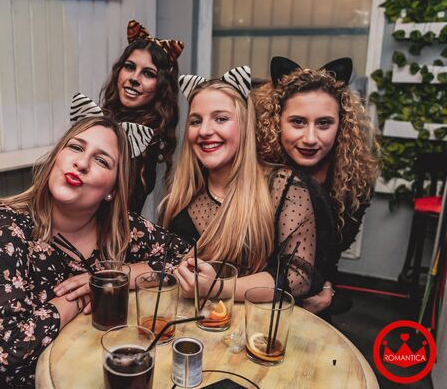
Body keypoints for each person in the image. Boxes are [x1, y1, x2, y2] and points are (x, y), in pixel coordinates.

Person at [0, 114, 192, 388]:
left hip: (73, 372)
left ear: (112, 189)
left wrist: (121, 275)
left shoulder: (121, 229)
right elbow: (7, 356)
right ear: (55, 158)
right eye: (76, 147)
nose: (82, 163)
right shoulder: (3, 227)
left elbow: (187, 256)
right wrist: (78, 298)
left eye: (101, 160)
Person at [160, 70, 318, 303]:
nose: (204, 131)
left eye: (221, 119)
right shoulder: (181, 194)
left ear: (245, 125)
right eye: (195, 121)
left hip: (253, 322)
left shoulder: (283, 187)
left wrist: (218, 288)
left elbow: (297, 277)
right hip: (187, 320)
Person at [253, 56, 380, 314]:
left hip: (313, 296)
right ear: (276, 122)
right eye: (298, 122)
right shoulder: (257, 171)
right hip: (254, 293)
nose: (310, 138)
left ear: (341, 125)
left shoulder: (354, 181)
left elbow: (331, 254)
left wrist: (328, 288)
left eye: (324, 123)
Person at [99, 19, 184, 213]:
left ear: (161, 87)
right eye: (130, 67)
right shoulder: (109, 121)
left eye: (148, 73)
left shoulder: (141, 138)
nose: (134, 79)